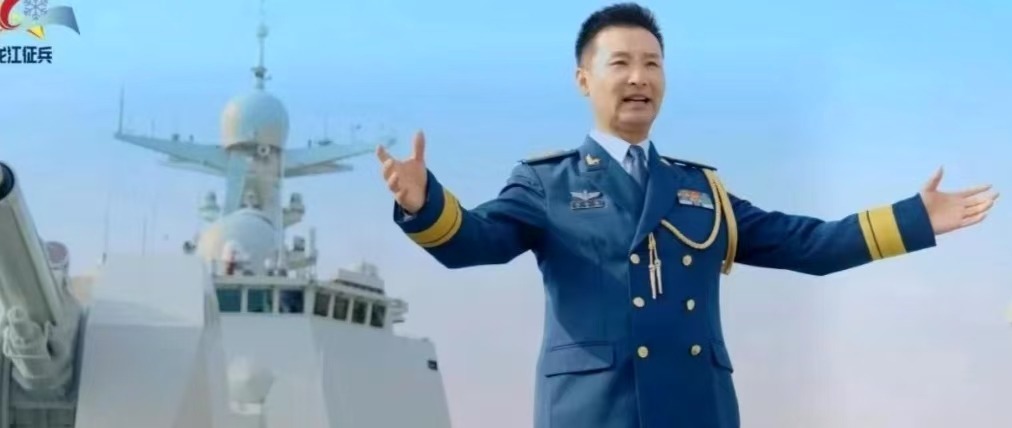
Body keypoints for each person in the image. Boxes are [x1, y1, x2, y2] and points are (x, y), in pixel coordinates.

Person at [375, 3, 998, 428]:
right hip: (593, 412)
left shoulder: (702, 189)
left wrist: (914, 218)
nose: (639, 78)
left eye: (652, 63)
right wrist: (424, 202)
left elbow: (808, 245)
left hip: (697, 409)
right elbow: (474, 241)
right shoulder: (546, 183)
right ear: (583, 79)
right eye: (620, 63)